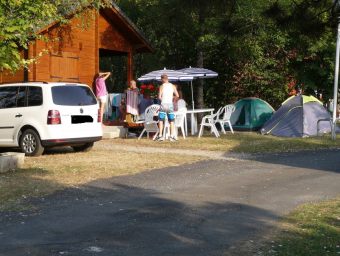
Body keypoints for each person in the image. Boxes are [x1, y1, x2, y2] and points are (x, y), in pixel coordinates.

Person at [154, 74, 179, 142]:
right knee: (171, 121)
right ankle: (172, 136)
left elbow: (159, 97)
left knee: (161, 120)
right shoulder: (173, 86)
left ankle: (160, 136)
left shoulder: (161, 86)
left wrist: (163, 99)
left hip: (163, 104)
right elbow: (177, 95)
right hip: (170, 104)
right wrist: (173, 99)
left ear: (163, 79)